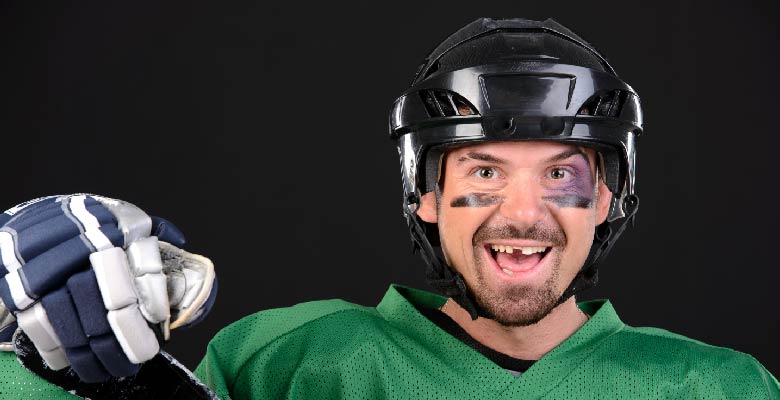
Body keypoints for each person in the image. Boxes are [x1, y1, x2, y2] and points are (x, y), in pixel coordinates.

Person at [0, 17, 777, 399]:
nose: (523, 211)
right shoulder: (293, 361)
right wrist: (43, 365)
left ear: (607, 197)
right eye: (482, 172)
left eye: (562, 175)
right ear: (427, 196)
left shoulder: (716, 388)